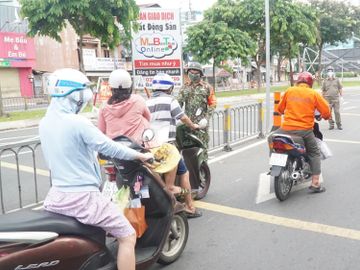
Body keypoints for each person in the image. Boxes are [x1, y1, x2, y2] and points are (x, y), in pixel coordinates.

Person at [39, 68, 153, 270]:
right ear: (74, 94)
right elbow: (108, 145)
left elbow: (98, 136)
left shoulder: (45, 122)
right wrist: (139, 155)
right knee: (127, 235)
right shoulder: (77, 123)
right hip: (83, 198)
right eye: (85, 90)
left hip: (56, 196)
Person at [146, 73, 202, 218]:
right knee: (184, 174)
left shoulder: (146, 102)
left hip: (150, 148)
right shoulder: (170, 100)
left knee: (157, 181)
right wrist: (193, 125)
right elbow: (182, 117)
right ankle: (190, 206)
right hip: (168, 149)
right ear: (169, 88)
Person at [268, 71, 331, 193]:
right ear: (310, 83)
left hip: (285, 129)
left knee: (271, 138)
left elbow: (280, 109)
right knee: (314, 153)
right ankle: (315, 183)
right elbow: (326, 111)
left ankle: (274, 159)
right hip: (305, 131)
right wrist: (326, 116)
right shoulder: (313, 94)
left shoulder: (289, 91)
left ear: (298, 82)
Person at [98, 69, 151, 144]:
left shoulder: (104, 106)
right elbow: (148, 118)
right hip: (136, 147)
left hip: (113, 148)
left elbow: (101, 130)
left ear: (111, 88)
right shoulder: (138, 100)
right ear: (130, 87)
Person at [177, 62, 217, 160]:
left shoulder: (207, 87)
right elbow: (178, 104)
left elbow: (213, 104)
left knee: (202, 149)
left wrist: (206, 118)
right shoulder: (184, 88)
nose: (193, 74)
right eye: (191, 71)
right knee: (187, 150)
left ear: (200, 73)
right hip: (187, 124)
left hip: (201, 125)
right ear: (188, 72)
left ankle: (203, 170)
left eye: (196, 72)